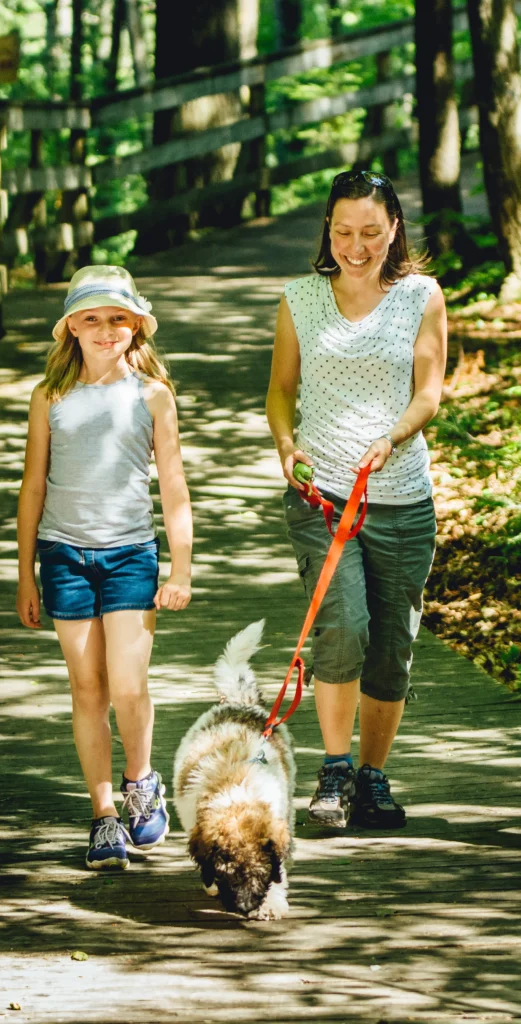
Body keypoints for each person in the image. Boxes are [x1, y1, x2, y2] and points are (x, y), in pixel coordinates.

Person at [266, 169, 447, 829]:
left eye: (370, 231)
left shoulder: (420, 297)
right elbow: (280, 390)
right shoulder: (299, 298)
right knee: (342, 623)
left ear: (393, 228)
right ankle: (334, 770)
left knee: (390, 642)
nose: (355, 244)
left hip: (399, 495)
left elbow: (428, 390)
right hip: (323, 498)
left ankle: (372, 776)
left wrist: (392, 436)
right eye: (342, 231)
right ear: (327, 230)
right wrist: (287, 447)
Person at [17, 265, 193, 869]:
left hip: (129, 556)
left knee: (127, 684)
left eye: (118, 317)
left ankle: (141, 781)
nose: (105, 328)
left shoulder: (152, 396)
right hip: (64, 555)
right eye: (91, 317)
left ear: (137, 326)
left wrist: (181, 569)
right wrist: (24, 573)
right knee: (87, 688)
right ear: (70, 326)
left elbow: (173, 486)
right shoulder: (50, 397)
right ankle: (103, 816)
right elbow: (32, 487)